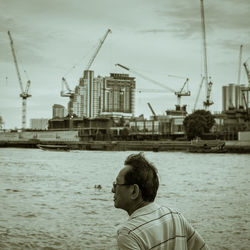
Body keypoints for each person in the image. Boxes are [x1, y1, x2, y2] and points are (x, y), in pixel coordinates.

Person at [112, 153, 209, 250]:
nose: (113, 190)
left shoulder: (128, 234)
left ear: (134, 191)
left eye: (117, 184)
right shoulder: (175, 216)